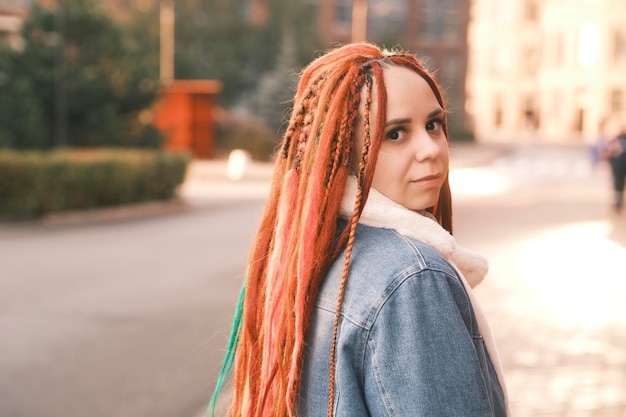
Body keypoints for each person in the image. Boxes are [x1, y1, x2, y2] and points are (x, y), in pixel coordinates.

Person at [210, 42, 509, 417]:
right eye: (395, 134)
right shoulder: (413, 278)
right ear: (344, 151)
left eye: (433, 125)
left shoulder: (316, 254)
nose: (430, 149)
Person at [606, 126, 626, 212]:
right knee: (619, 184)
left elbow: (609, 153)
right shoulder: (616, 140)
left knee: (618, 184)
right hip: (619, 166)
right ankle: (618, 202)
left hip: (617, 166)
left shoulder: (615, 141)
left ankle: (618, 202)